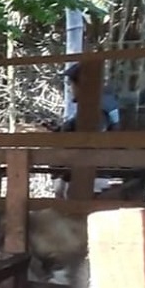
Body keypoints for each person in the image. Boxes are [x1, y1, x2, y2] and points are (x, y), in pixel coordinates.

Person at [52, 62, 120, 197]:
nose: (70, 89)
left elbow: (90, 139)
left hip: (91, 176)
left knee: (76, 214)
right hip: (89, 172)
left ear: (81, 85)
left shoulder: (97, 108)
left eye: (71, 84)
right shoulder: (100, 103)